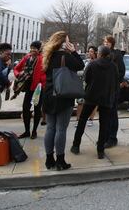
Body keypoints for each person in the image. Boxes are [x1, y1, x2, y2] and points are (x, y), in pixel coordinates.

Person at [41, 31, 84, 170]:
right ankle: (60, 160)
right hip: (63, 96)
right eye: (68, 41)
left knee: (50, 128)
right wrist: (74, 51)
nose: (69, 43)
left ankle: (49, 160)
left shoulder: (48, 56)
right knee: (61, 129)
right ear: (63, 43)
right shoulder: (65, 57)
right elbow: (80, 65)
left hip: (48, 96)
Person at [70, 45, 117, 159]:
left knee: (82, 121)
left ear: (99, 54)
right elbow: (115, 80)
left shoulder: (92, 64)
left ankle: (76, 146)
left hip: (91, 96)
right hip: (106, 97)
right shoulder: (113, 66)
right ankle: (100, 150)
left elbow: (86, 78)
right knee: (104, 124)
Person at [13, 41, 46, 139]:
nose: (32, 50)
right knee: (25, 108)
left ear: (39, 49)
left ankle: (34, 131)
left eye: (35, 48)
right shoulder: (27, 57)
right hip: (28, 87)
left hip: (38, 89)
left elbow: (47, 72)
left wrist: (42, 81)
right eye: (31, 48)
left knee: (37, 109)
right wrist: (18, 75)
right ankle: (27, 130)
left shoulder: (43, 59)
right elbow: (16, 68)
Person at [103, 35, 125, 148]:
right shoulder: (103, 54)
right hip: (104, 89)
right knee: (105, 114)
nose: (105, 43)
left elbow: (122, 71)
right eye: (104, 42)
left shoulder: (117, 55)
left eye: (107, 42)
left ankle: (112, 138)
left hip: (113, 88)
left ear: (112, 43)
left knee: (112, 113)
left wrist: (116, 82)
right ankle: (104, 137)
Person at [76, 45, 97, 126]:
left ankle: (91, 119)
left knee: (93, 103)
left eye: (91, 51)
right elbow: (83, 72)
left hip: (93, 85)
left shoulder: (97, 62)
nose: (89, 53)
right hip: (84, 84)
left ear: (95, 52)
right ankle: (78, 120)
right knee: (80, 102)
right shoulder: (87, 62)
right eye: (89, 51)